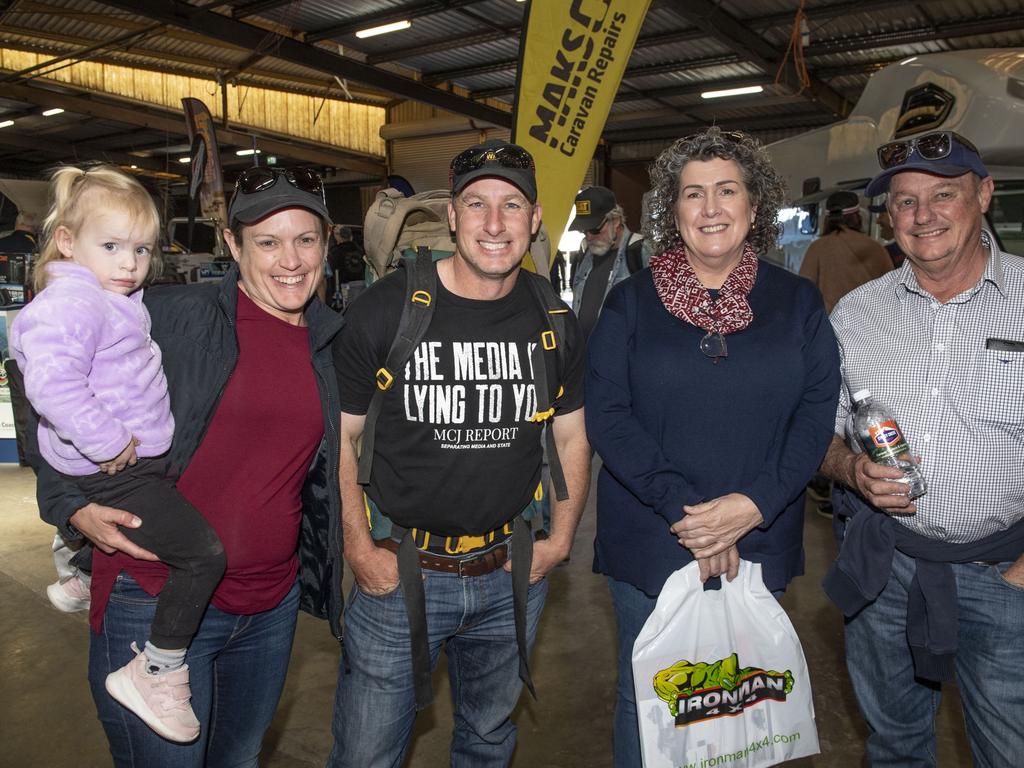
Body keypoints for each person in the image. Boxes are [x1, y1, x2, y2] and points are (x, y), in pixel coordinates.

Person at [32, 165, 344, 767]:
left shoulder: (330, 341)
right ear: (232, 244)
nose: (290, 260)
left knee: (239, 760)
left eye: (305, 239)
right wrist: (70, 507)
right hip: (151, 599)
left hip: (270, 606)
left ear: (327, 244)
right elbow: (50, 391)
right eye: (267, 241)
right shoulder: (167, 314)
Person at [329, 138, 591, 767]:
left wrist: (558, 540)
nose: (494, 224)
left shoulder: (555, 318)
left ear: (534, 221)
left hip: (511, 574)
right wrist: (359, 548)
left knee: (488, 739)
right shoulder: (386, 309)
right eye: (476, 205)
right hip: (400, 573)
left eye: (511, 205)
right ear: (452, 216)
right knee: (366, 754)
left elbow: (572, 436)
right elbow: (340, 436)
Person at [585, 127, 841, 768]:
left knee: (743, 707)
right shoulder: (630, 304)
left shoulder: (798, 304)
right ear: (673, 213)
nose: (710, 208)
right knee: (649, 699)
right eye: (692, 194)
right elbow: (609, 417)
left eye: (727, 191)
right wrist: (692, 515)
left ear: (755, 207)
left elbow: (815, 416)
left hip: (762, 533)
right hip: (653, 535)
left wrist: (753, 504)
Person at [819, 130, 1024, 768]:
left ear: (983, 195)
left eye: (943, 194)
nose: (923, 215)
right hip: (888, 572)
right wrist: (850, 467)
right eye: (904, 202)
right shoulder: (855, 315)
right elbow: (818, 435)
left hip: (1007, 575)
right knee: (896, 746)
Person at [12, 166, 227, 743]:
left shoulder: (113, 298)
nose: (129, 263)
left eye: (140, 249)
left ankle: (82, 571)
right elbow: (51, 387)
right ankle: (156, 667)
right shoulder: (72, 302)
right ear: (67, 241)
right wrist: (106, 441)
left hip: (132, 463)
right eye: (110, 246)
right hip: (114, 468)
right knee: (204, 555)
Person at [569, 185, 646, 340]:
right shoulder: (584, 253)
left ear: (616, 221)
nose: (589, 237)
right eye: (584, 231)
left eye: (595, 230)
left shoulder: (640, 251)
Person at [799, 190, 893, 314]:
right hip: (868, 326)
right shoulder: (876, 248)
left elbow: (804, 292)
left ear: (827, 219)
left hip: (831, 325)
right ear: (857, 216)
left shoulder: (817, 248)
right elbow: (891, 291)